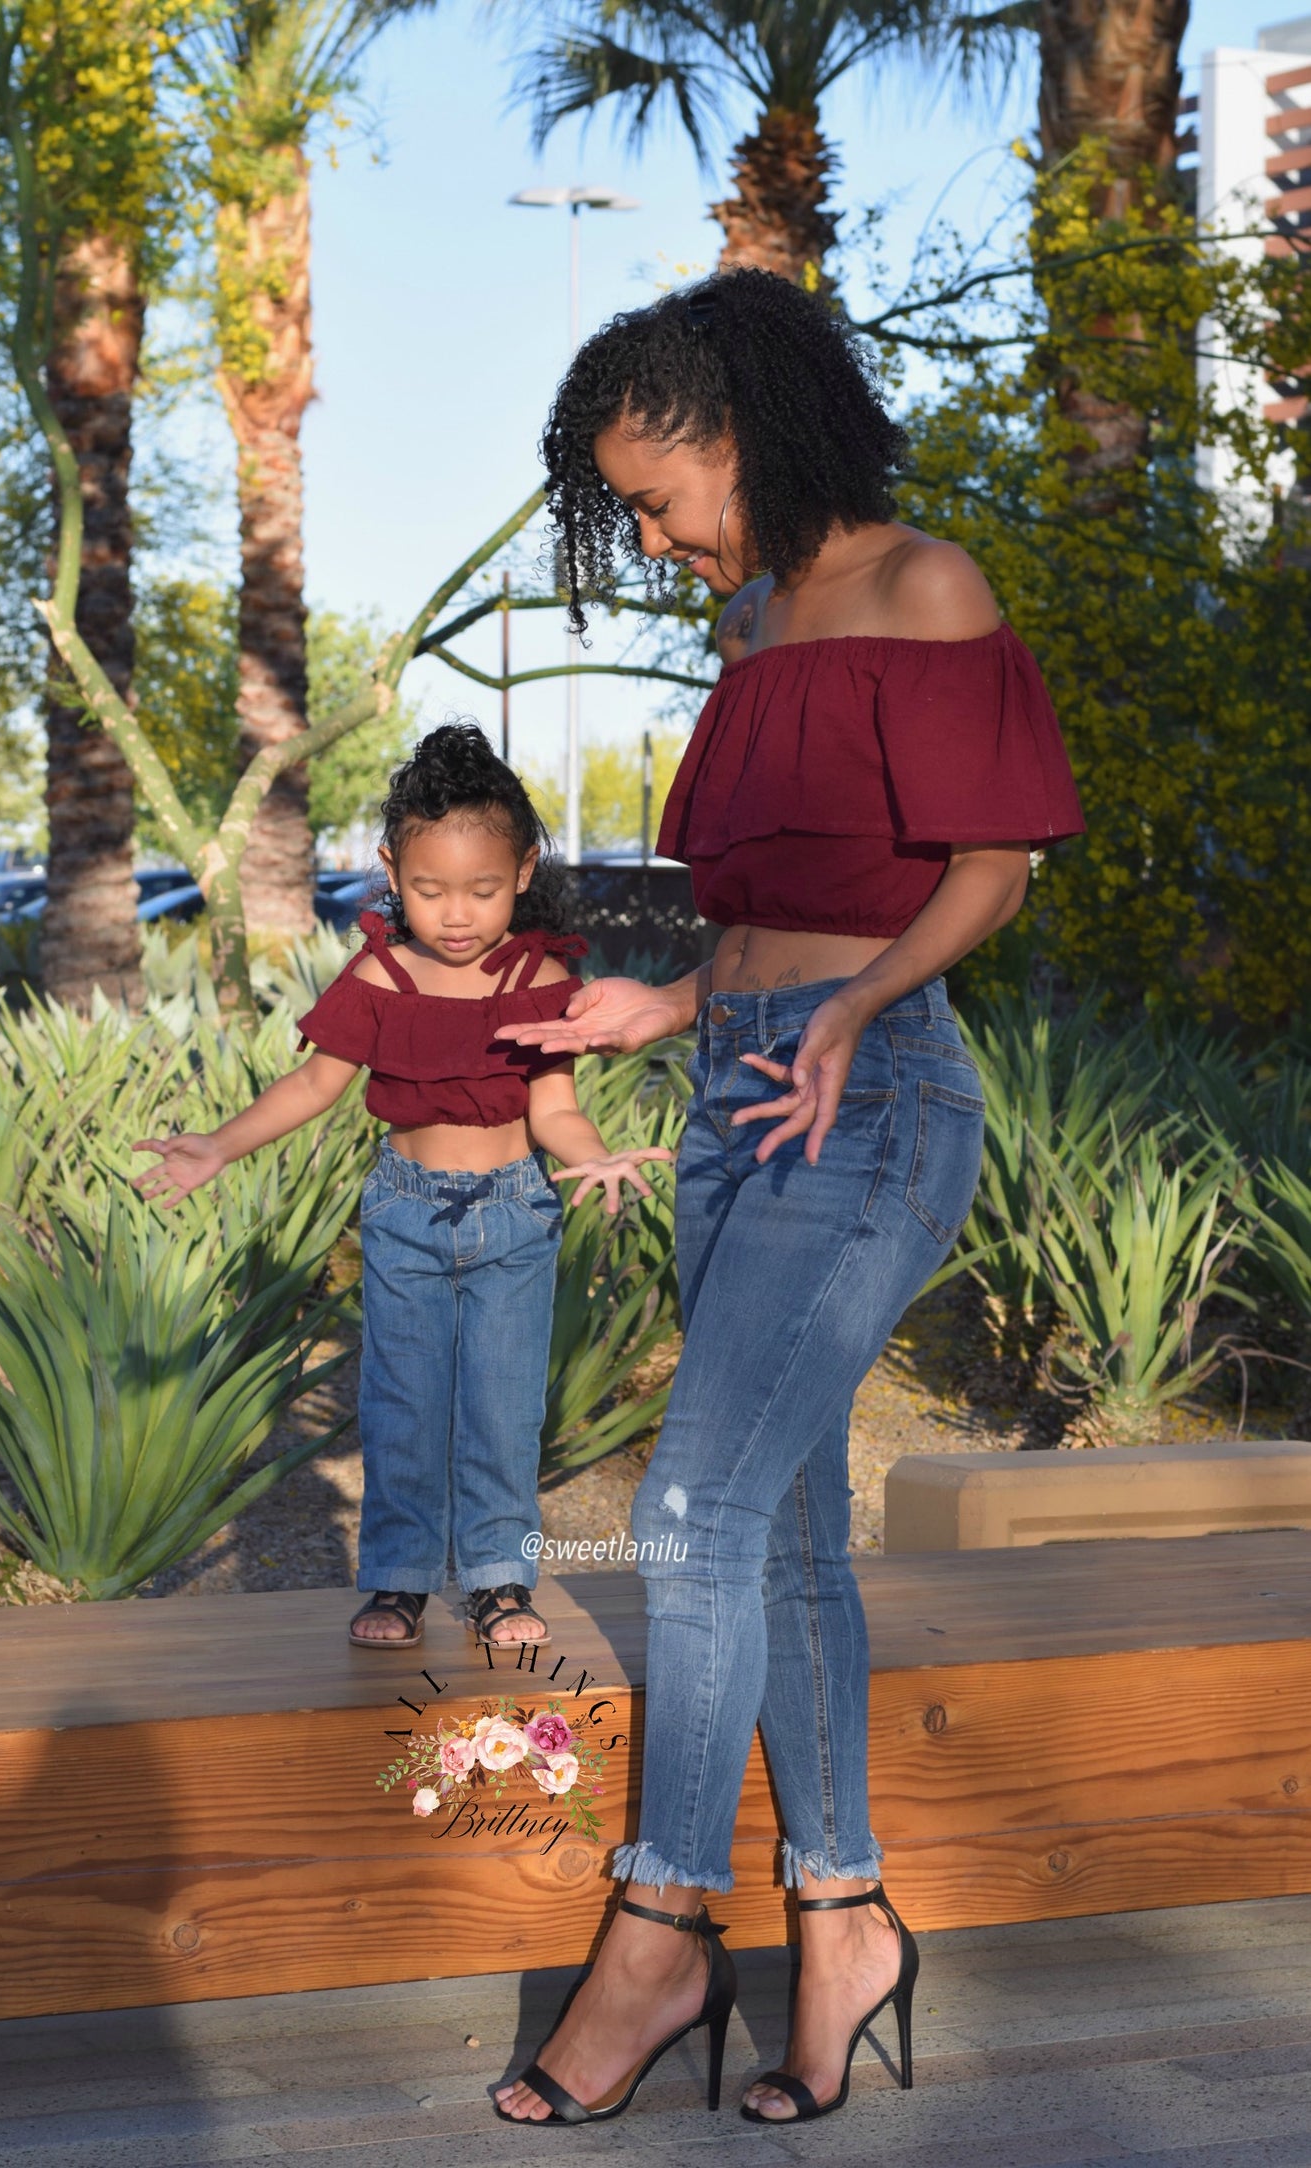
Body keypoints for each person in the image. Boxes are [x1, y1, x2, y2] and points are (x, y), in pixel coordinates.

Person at [491, 269, 1085, 2127]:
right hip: (738, 1092)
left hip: (877, 1098)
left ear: (741, 424)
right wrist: (665, 1000)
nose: (655, 537)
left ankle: (663, 1924)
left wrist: (851, 1003)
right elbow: (764, 899)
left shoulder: (927, 587)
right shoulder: (756, 618)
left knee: (687, 1506)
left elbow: (989, 869)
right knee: (790, 1532)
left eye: (658, 496)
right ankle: (842, 1918)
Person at [133, 723, 671, 1652]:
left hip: (514, 1212)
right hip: (403, 1210)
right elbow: (313, 1085)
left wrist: (590, 1156)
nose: (456, 914)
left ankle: (500, 1581)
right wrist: (218, 1147)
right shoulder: (376, 975)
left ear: (524, 870)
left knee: (503, 1410)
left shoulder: (541, 978)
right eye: (428, 890)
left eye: (482, 890)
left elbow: (553, 1110)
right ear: (389, 868)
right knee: (402, 1406)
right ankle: (398, 1579)